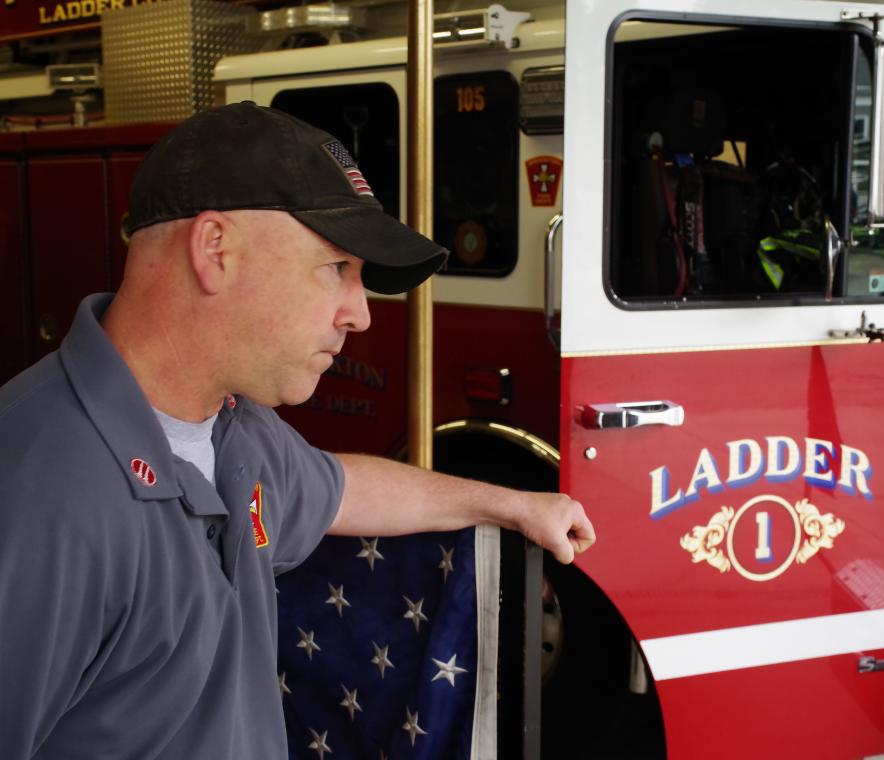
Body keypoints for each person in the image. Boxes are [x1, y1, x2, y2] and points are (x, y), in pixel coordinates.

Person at [0, 102, 595, 759]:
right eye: (337, 268)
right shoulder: (40, 491)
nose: (360, 315)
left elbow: (343, 489)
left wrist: (512, 503)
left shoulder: (238, 432)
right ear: (214, 250)